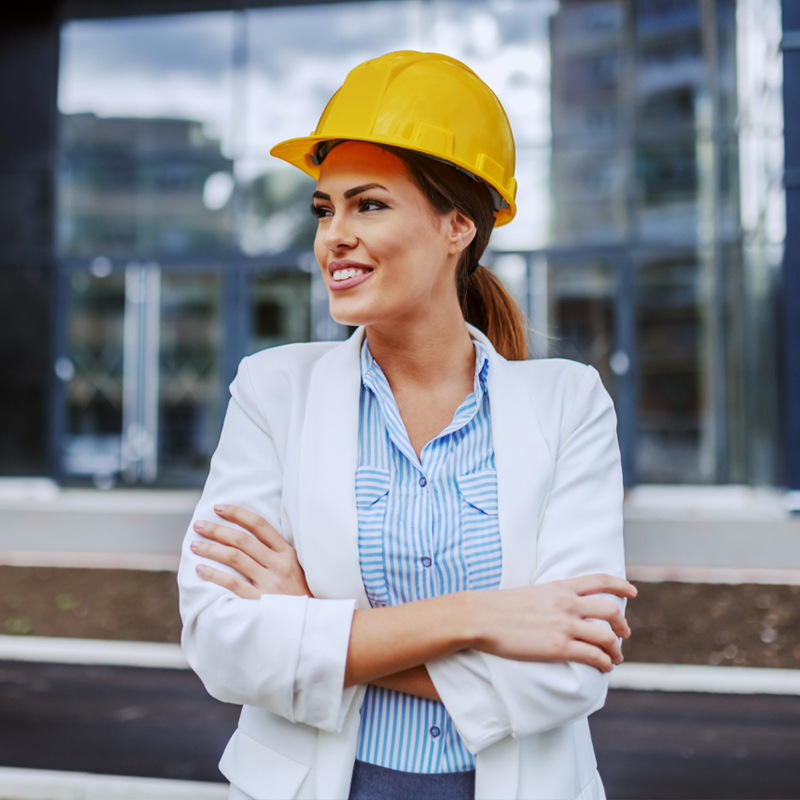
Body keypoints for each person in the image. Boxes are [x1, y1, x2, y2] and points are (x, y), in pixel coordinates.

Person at [178, 51, 635, 800]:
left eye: (370, 205)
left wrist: (310, 623)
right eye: (326, 209)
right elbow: (223, 645)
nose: (334, 236)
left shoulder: (568, 403)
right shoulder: (272, 391)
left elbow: (568, 671)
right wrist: (481, 618)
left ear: (457, 225)